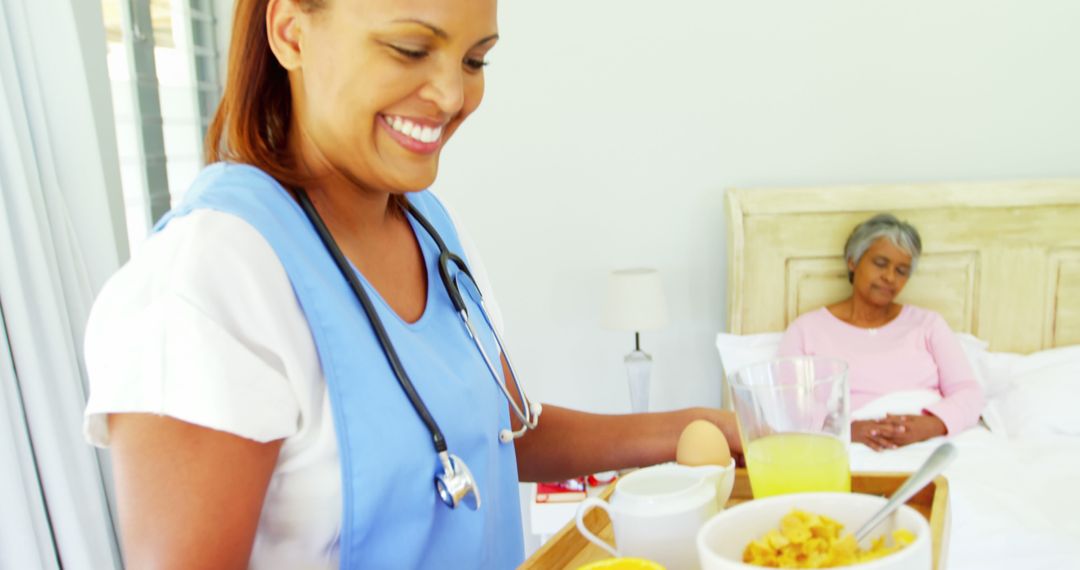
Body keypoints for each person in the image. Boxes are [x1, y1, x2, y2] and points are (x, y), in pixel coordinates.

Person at [81, 0, 739, 568]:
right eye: (410, 49)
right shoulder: (209, 282)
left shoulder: (434, 231)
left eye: (475, 61)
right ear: (290, 32)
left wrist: (702, 423)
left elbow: (507, 434)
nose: (453, 96)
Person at [778, 214, 985, 452]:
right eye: (880, 263)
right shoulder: (807, 330)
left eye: (901, 270)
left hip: (932, 443)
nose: (889, 277)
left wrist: (931, 425)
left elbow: (968, 393)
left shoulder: (928, 324)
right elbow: (788, 406)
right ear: (853, 261)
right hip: (849, 445)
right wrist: (846, 430)